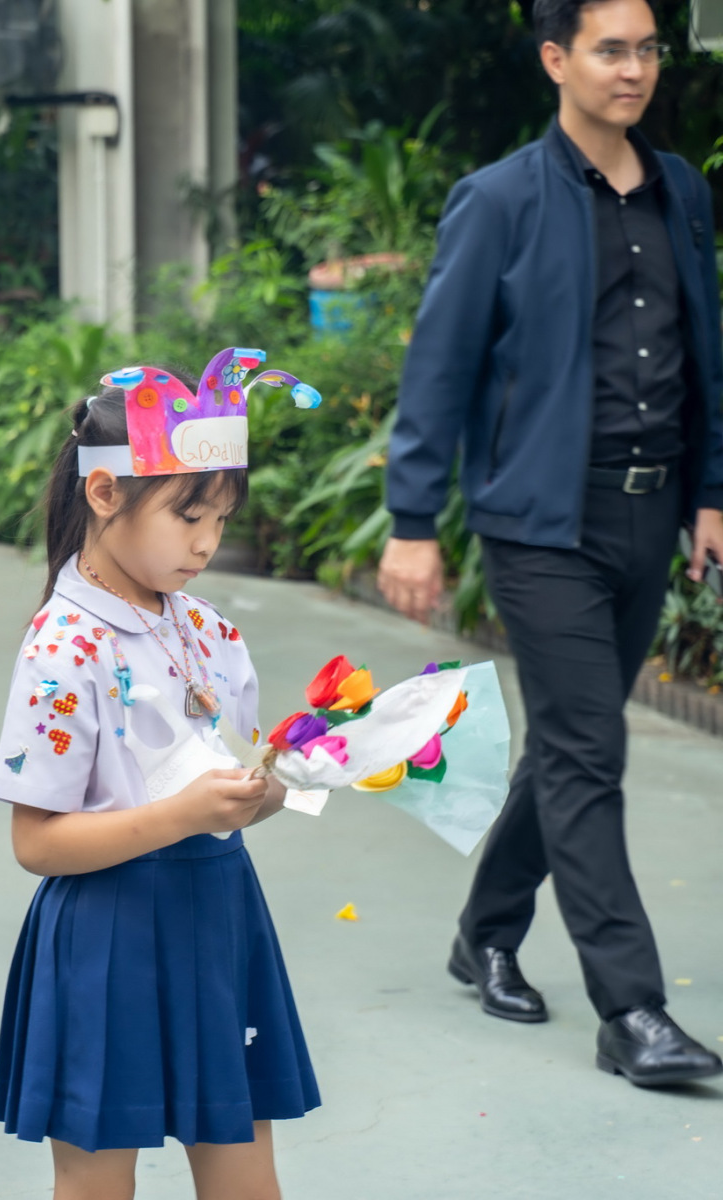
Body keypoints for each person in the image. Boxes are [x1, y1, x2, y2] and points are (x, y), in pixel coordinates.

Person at [378, 0, 723, 1087]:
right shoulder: (499, 201)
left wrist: (711, 493)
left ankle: (484, 930)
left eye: (647, 49)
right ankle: (633, 1011)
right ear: (555, 60)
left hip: (647, 512)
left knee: (570, 744)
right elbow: (439, 365)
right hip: (540, 521)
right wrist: (412, 523)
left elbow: (705, 346)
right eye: (611, 49)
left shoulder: (681, 190)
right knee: (589, 749)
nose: (634, 69)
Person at [0, 353, 319, 1199]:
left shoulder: (210, 628)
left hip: (220, 915)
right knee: (97, 1181)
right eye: (188, 514)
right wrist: (184, 815)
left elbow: (234, 790)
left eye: (222, 518)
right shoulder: (64, 647)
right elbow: (36, 844)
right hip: (109, 933)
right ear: (105, 493)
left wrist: (285, 780)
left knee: (246, 1173)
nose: (207, 541)